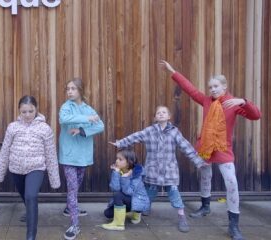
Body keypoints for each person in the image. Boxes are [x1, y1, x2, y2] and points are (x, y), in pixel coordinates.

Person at [160, 60, 261, 240]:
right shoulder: (207, 101)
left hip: (223, 148)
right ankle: (205, 206)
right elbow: (190, 89)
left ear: (224, 87)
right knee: (205, 176)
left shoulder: (233, 103)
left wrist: (244, 101)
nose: (212, 89)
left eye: (216, 86)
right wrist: (172, 71)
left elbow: (256, 115)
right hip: (206, 147)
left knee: (231, 183)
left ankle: (233, 225)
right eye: (210, 87)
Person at [109, 105, 206, 233]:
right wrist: (120, 143)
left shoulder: (174, 132)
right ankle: (144, 208)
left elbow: (185, 146)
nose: (161, 114)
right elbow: (135, 137)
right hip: (152, 170)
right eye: (158, 113)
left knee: (174, 194)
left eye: (164, 112)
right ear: (155, 117)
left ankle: (181, 216)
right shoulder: (149, 131)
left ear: (169, 116)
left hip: (169, 171)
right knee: (149, 192)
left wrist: (198, 161)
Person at [0, 95, 60, 240]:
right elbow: (5, 150)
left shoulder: (45, 129)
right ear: (19, 111)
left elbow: (51, 155)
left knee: (31, 195)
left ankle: (30, 235)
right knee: (26, 197)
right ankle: (31, 211)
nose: (28, 115)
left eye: (31, 111)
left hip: (36, 168)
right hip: (16, 169)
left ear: (36, 110)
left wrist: (54, 179)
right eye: (24, 112)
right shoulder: (13, 127)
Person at [58, 78, 104, 240]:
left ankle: (69, 208)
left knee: (75, 186)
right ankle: (74, 224)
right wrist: (86, 120)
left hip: (83, 156)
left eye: (73, 89)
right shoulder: (66, 107)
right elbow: (64, 120)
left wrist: (82, 130)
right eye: (68, 88)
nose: (69, 91)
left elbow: (100, 126)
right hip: (69, 156)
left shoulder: (88, 108)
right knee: (72, 188)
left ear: (80, 91)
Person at [101, 149, 150, 231]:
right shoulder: (119, 171)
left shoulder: (136, 174)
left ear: (129, 162)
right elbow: (115, 188)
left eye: (120, 159)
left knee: (118, 195)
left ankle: (119, 224)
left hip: (138, 201)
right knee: (108, 213)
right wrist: (116, 173)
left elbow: (129, 192)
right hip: (129, 200)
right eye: (117, 158)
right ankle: (132, 214)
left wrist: (125, 177)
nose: (117, 161)